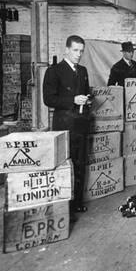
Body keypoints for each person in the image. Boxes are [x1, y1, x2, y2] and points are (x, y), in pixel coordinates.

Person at [43, 35, 91, 214]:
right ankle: (64, 207)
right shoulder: (54, 71)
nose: (79, 54)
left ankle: (76, 203)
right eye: (75, 50)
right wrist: (73, 100)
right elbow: (48, 99)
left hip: (81, 125)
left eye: (81, 51)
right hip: (64, 125)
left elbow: (85, 93)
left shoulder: (83, 71)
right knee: (64, 166)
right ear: (67, 50)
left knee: (80, 164)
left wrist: (86, 101)